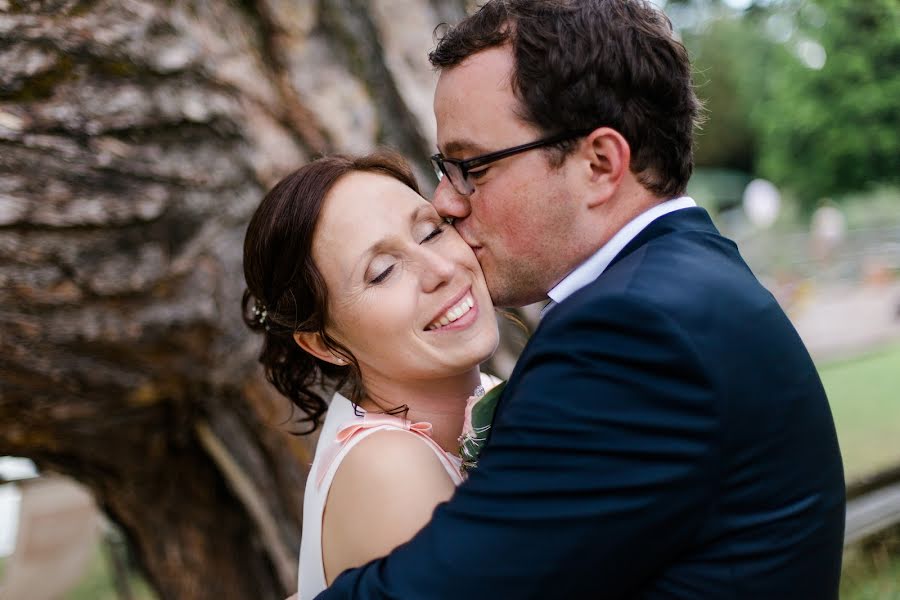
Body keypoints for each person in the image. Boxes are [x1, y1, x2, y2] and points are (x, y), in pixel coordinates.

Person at [317, 1, 846, 598]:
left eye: (472, 166)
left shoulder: (629, 331)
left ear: (599, 163)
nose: (446, 201)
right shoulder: (689, 276)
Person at [241, 152, 501, 599]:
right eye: (382, 273)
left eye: (431, 232)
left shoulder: (489, 398)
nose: (440, 270)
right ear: (322, 343)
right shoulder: (390, 467)